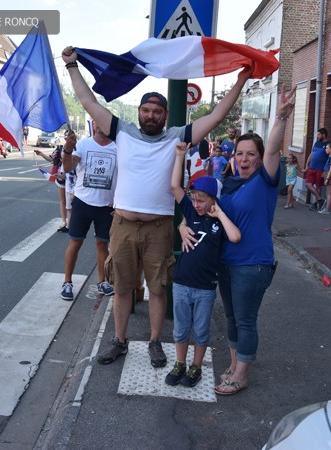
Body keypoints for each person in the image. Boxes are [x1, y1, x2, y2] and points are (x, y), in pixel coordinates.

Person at [62, 45, 251, 368]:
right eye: (147, 110)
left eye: (157, 111)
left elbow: (217, 116)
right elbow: (88, 102)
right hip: (121, 224)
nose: (151, 115)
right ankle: (119, 341)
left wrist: (242, 79)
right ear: (139, 112)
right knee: (122, 288)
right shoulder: (121, 132)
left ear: (165, 115)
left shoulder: (179, 136)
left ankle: (153, 342)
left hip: (159, 227)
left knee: (158, 288)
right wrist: (72, 67)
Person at [180, 84, 297, 395]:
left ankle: (242, 373)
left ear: (259, 159)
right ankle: (234, 363)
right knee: (231, 316)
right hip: (227, 265)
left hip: (252, 265)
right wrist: (181, 225)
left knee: (245, 320)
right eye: (240, 153)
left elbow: (273, 149)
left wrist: (281, 118)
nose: (244, 159)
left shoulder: (264, 182)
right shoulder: (227, 186)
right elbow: (195, 205)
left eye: (251, 154)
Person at [166, 143, 241, 387]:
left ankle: (195, 366)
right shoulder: (191, 212)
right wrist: (179, 156)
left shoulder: (219, 221)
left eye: (202, 201)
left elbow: (235, 237)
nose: (197, 205)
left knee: (200, 331)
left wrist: (219, 214)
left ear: (213, 200)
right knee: (180, 329)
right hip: (182, 283)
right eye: (195, 200)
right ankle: (179, 364)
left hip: (206, 287)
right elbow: (175, 186)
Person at [59, 122, 118, 300]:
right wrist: (67, 150)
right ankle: (67, 282)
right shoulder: (83, 144)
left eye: (105, 121)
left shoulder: (118, 148)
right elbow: (68, 168)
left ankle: (102, 282)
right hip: (83, 202)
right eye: (98, 121)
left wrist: (117, 201)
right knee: (75, 243)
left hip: (106, 206)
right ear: (94, 124)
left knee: (102, 245)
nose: (101, 124)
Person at [34, 146, 68, 232]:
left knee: (72, 202)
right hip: (61, 179)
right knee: (63, 201)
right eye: (66, 136)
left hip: (73, 179)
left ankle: (72, 222)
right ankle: (64, 221)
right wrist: (41, 154)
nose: (67, 138)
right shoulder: (60, 149)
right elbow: (51, 159)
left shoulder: (77, 148)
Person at [304, 128, 329, 211]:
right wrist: (307, 164)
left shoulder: (328, 144)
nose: (317, 136)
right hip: (312, 167)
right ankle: (320, 199)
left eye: (319, 134)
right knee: (308, 184)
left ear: (324, 135)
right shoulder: (316, 143)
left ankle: (315, 204)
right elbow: (311, 154)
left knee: (318, 186)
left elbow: (330, 157)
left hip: (320, 169)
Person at [319, 143, 331, 215]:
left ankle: (328, 209)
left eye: (327, 148)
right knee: (328, 193)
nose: (325, 149)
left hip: (330, 175)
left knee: (329, 193)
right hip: (327, 174)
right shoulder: (330, 156)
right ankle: (327, 208)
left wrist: (327, 178)